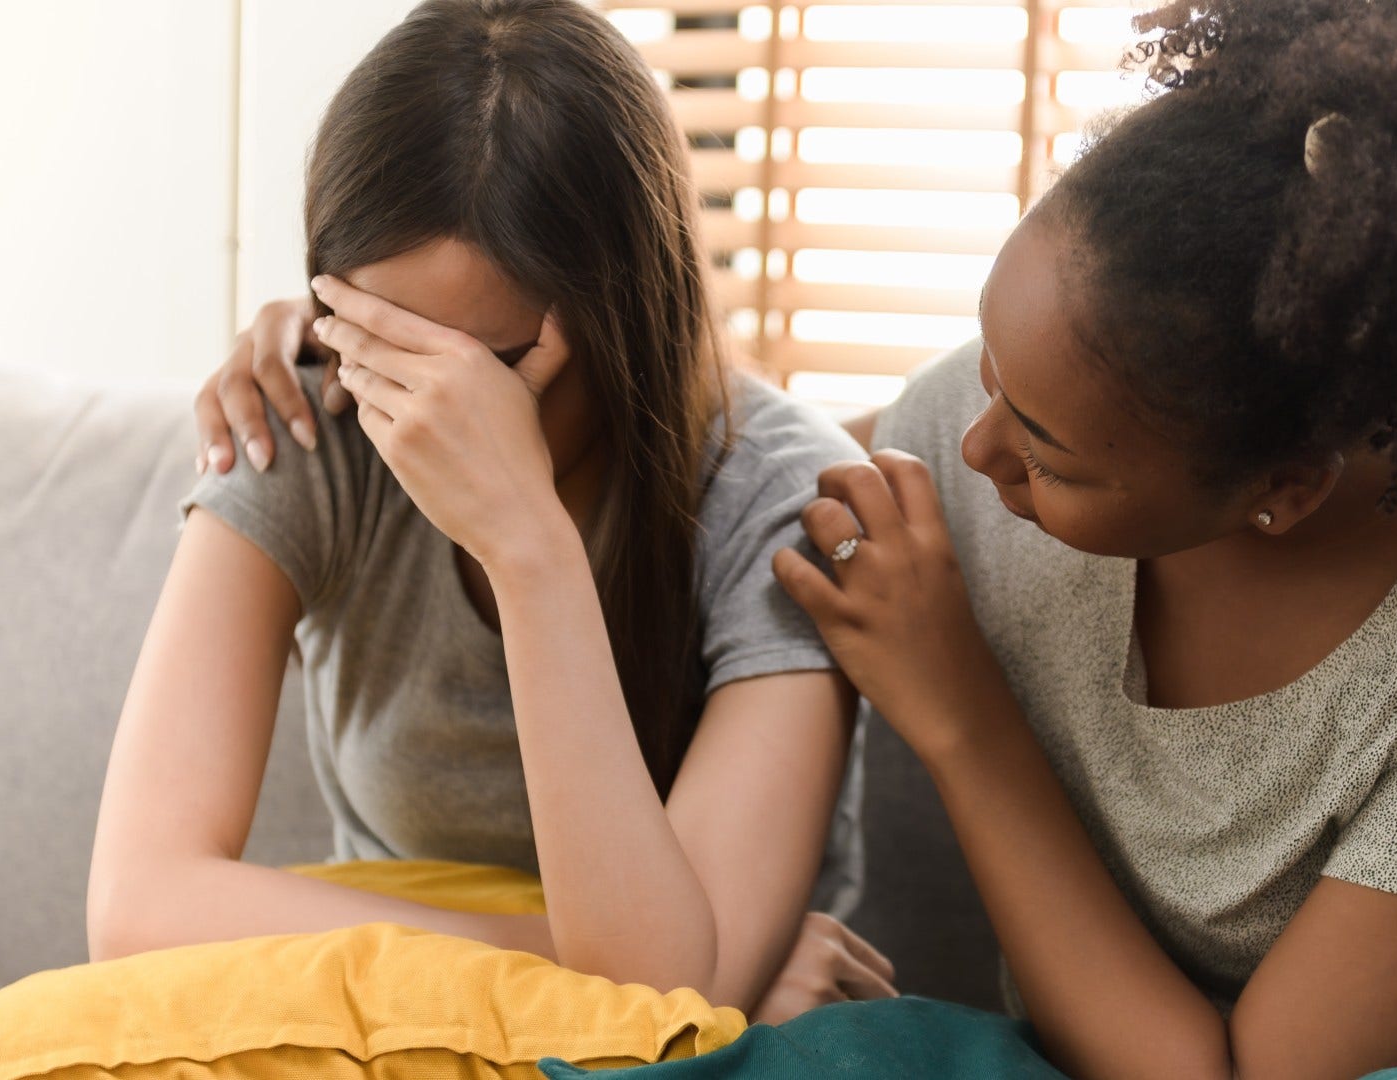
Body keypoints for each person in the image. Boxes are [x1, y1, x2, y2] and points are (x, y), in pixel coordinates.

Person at [200, 0, 1397, 1075]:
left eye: (1045, 449)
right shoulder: (973, 427)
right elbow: (712, 484)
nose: (967, 444)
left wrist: (956, 709)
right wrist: (369, 343)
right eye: (985, 376)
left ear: (1280, 491)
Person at [89, 0, 893, 1020]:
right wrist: (569, 957)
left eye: (498, 369)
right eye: (391, 350)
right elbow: (134, 905)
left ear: (632, 310)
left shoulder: (775, 502)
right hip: (402, 1031)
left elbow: (659, 1020)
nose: (433, 417)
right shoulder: (316, 421)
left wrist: (528, 546)